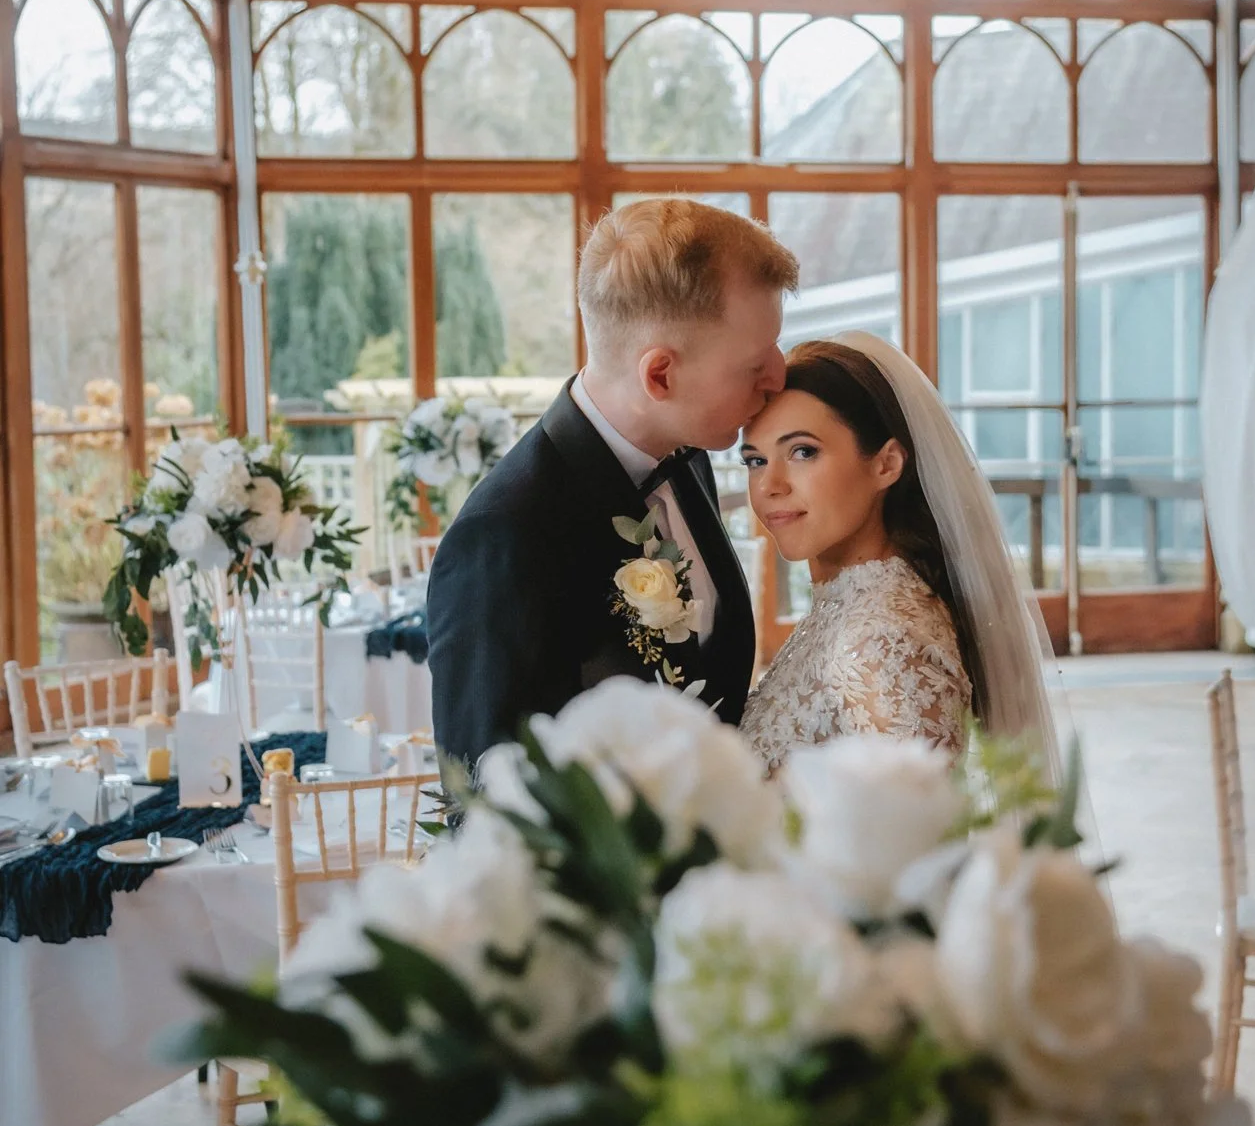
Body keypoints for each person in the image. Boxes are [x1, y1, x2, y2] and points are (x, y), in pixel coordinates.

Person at [427, 198, 798, 771]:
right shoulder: (504, 538)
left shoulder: (689, 454)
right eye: (754, 364)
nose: (779, 374)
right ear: (660, 375)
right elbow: (485, 801)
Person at [739, 332, 1058, 779]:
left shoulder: (880, 642)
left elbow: (916, 839)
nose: (770, 485)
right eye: (754, 460)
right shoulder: (850, 606)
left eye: (802, 452)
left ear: (886, 464)